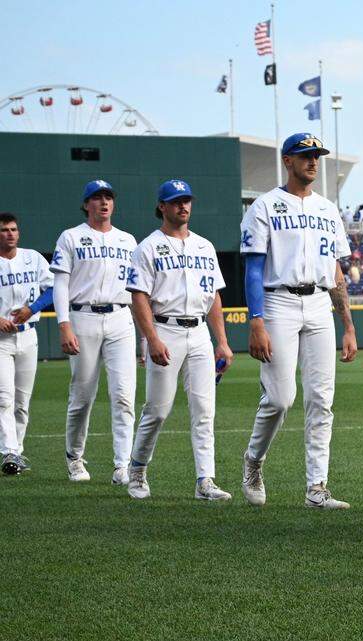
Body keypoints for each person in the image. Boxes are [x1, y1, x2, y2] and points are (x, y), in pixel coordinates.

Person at [239, 133, 358, 509]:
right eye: (305, 155)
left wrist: (349, 325)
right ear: (287, 161)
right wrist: (255, 320)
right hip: (279, 303)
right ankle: (254, 460)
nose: (312, 161)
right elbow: (253, 268)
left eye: (316, 156)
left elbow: (337, 272)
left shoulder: (328, 209)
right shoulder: (265, 206)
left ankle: (316, 488)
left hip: (320, 303)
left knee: (322, 399)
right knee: (280, 398)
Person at [124, 180, 234, 500]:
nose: (183, 206)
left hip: (199, 332)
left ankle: (205, 481)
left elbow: (212, 296)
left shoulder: (204, 246)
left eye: (186, 201)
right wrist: (152, 339)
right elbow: (139, 297)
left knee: (204, 410)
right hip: (166, 329)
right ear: (162, 206)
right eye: (175, 202)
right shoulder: (147, 247)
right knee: (157, 410)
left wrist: (222, 342)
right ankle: (138, 469)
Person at [51, 180, 138, 484]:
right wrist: (64, 324)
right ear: (86, 204)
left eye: (108, 197)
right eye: (97, 197)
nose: (104, 202)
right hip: (83, 317)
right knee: (82, 395)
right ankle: (75, 457)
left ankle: (123, 464)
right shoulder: (71, 237)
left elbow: (140, 290)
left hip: (120, 318)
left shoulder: (128, 240)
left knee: (125, 395)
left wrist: (145, 335)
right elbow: (60, 283)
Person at [0, 213, 53, 475]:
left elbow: (53, 289)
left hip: (28, 335)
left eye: (13, 229)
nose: (9, 233)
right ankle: (8, 450)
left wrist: (32, 309)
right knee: (4, 397)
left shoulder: (32, 258)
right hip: (0, 341)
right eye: (4, 230)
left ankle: (15, 453)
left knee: (22, 401)